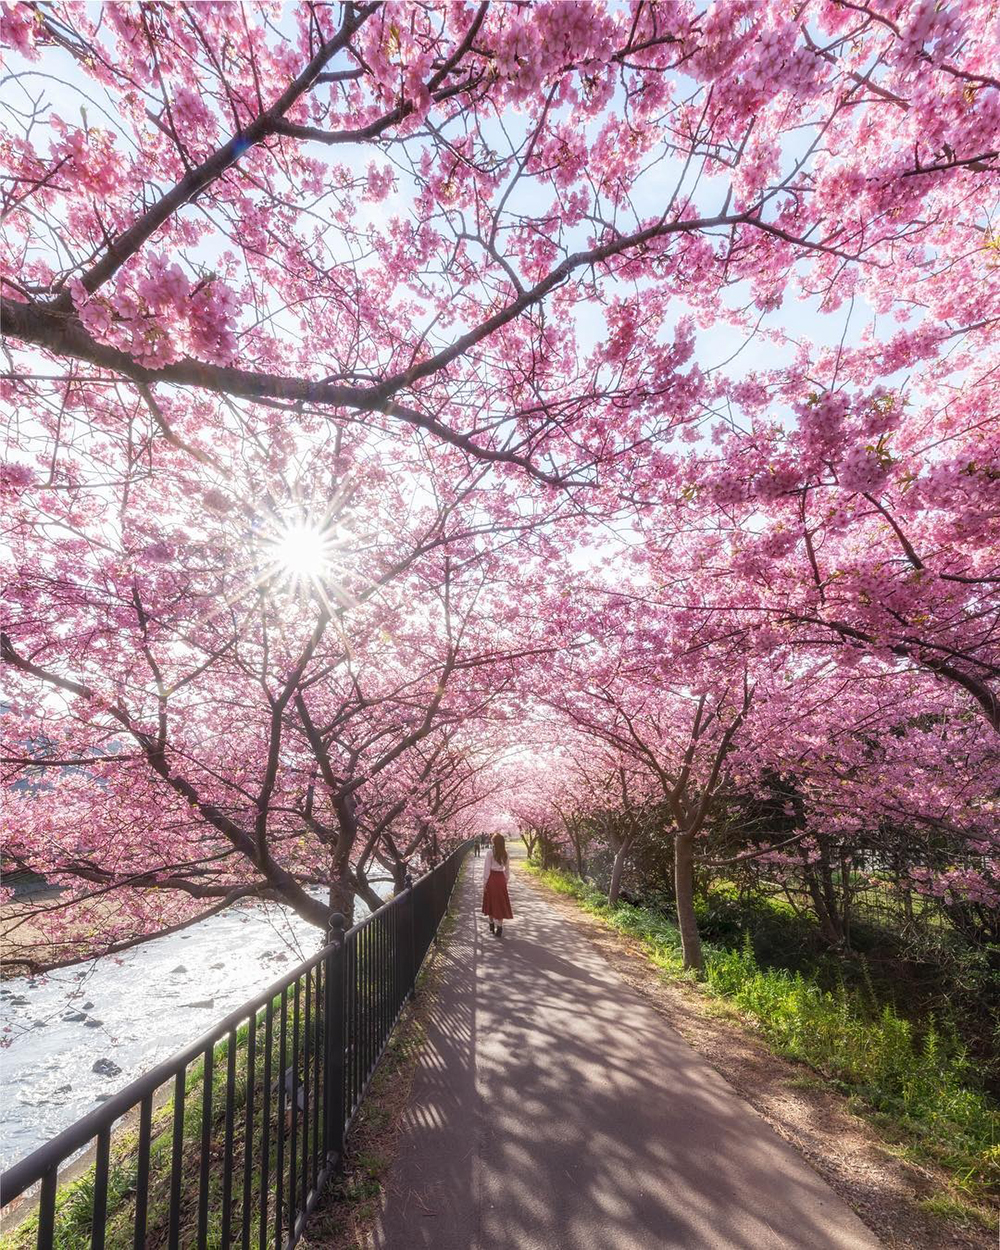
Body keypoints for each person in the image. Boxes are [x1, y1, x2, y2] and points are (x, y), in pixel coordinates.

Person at [482, 833, 514, 938]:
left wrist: (484, 883)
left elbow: (486, 869)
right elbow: (507, 871)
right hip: (501, 880)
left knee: (490, 901)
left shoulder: (490, 853)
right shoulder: (506, 854)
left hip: (492, 879)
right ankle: (499, 926)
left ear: (494, 842)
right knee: (500, 903)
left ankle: (491, 924)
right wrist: (505, 881)